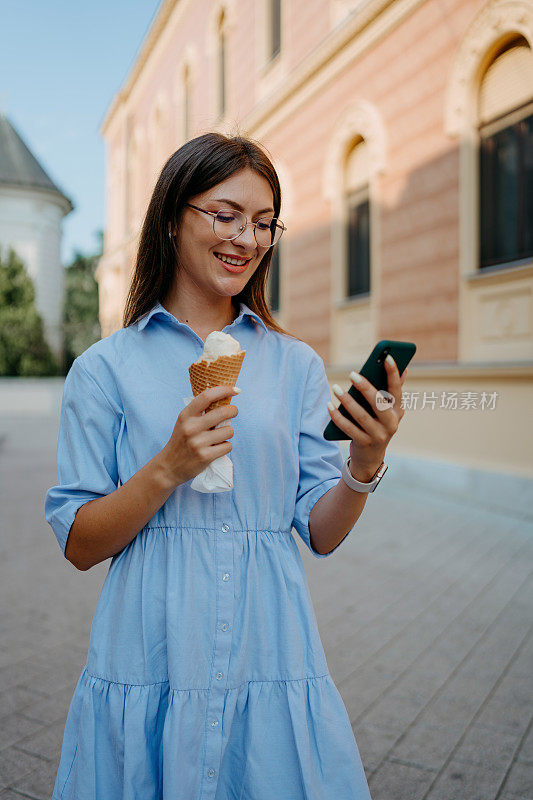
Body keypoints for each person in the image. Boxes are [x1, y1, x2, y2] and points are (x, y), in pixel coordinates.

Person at [45, 132, 406, 799]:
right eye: (225, 214)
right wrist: (166, 469)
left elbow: (320, 531)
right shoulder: (105, 368)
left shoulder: (293, 362)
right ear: (172, 219)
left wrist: (363, 461)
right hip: (148, 645)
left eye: (264, 223)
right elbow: (79, 544)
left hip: (268, 646)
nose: (247, 236)